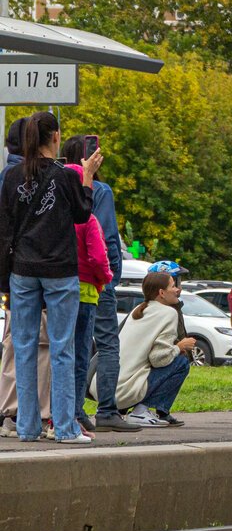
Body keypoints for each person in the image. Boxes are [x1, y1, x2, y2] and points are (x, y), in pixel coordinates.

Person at [0, 111, 102, 443]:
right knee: (62, 348)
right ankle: (65, 427)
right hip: (59, 271)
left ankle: (27, 427)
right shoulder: (65, 176)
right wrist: (87, 178)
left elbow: (5, 230)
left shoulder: (12, 176)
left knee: (25, 347)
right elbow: (82, 214)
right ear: (55, 137)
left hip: (23, 271)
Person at [60, 135, 136, 432]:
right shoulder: (100, 190)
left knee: (66, 347)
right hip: (93, 280)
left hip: (60, 278)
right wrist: (111, 278)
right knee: (105, 345)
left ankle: (69, 409)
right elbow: (104, 237)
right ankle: (105, 409)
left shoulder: (56, 185)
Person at [0, 119, 51, 436]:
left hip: (13, 273)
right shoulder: (31, 176)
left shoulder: (7, 173)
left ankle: (8, 410)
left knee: (12, 343)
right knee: (41, 345)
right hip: (34, 271)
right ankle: (32, 413)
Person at [62, 150, 110, 437]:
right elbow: (98, 257)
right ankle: (78, 410)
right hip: (87, 292)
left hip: (61, 289)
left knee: (61, 352)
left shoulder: (59, 218)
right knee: (81, 355)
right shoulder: (88, 219)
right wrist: (104, 279)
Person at [115, 271, 193, 428]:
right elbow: (158, 359)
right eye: (173, 286)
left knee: (176, 359)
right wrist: (179, 347)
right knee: (181, 363)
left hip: (111, 389)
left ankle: (135, 410)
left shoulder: (140, 309)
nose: (177, 289)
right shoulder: (169, 313)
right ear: (161, 293)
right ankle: (141, 411)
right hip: (128, 390)